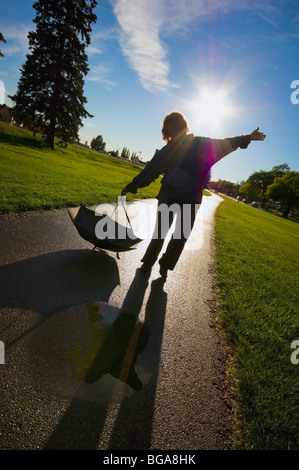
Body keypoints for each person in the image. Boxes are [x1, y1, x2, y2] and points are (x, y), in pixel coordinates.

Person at [121, 111, 266, 279]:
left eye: (176, 128)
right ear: (166, 132)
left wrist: (247, 137)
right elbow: (151, 170)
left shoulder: (201, 144)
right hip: (168, 195)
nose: (173, 132)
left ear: (183, 128)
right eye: (170, 129)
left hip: (190, 199)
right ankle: (148, 261)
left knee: (180, 236)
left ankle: (165, 265)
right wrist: (132, 185)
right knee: (160, 232)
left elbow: (225, 144)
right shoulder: (167, 150)